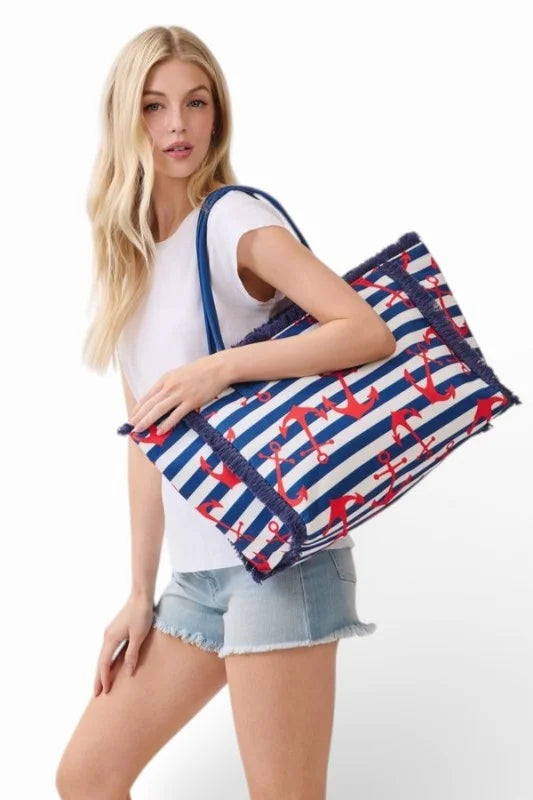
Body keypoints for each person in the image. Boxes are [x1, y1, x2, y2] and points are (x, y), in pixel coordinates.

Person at [55, 24, 395, 800]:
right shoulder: (133, 262)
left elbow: (364, 329)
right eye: (153, 106)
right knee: (87, 776)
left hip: (278, 564)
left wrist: (220, 368)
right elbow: (147, 441)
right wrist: (140, 592)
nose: (177, 125)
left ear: (217, 114)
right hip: (198, 578)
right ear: (123, 120)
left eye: (194, 102)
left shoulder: (233, 220)